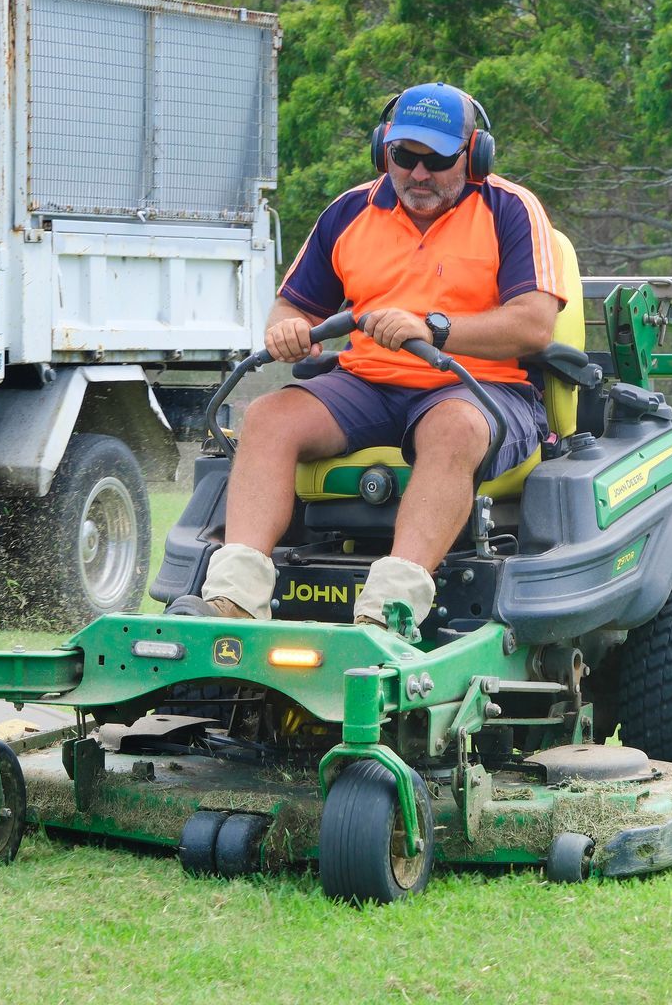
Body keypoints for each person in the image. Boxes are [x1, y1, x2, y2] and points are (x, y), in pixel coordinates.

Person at [168, 82, 567, 635]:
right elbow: (294, 305)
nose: (418, 174)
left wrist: (433, 328)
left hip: (480, 388)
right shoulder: (350, 211)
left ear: (475, 156)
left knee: (451, 429)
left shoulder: (511, 210)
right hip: (368, 383)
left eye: (437, 160)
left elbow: (534, 325)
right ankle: (234, 599)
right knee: (268, 417)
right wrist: (289, 332)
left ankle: (386, 611)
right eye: (405, 157)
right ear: (385, 150)